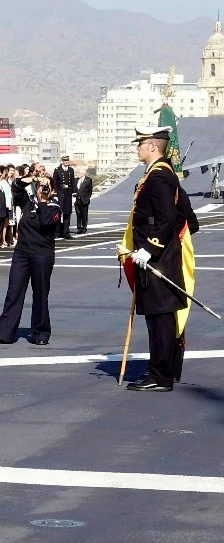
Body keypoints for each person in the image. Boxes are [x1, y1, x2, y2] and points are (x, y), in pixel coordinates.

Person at [125, 126, 195, 392]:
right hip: (161, 254)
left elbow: (167, 217)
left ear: (153, 146)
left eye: (141, 144)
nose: (137, 148)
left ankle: (160, 375)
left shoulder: (158, 177)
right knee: (159, 316)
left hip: (158, 258)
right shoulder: (160, 173)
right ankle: (164, 368)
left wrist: (151, 248)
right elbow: (185, 215)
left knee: (160, 317)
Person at [0, 174, 60, 346]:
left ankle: (41, 332)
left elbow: (45, 223)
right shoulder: (28, 203)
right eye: (40, 186)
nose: (41, 189)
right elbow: (16, 189)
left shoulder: (55, 208)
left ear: (52, 190)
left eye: (46, 187)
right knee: (14, 292)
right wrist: (28, 180)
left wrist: (43, 201)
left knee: (40, 294)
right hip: (22, 253)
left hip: (42, 254)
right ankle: (4, 334)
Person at [51, 155, 76, 239]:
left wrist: (74, 193)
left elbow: (73, 182)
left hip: (68, 193)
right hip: (61, 193)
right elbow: (55, 182)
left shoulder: (71, 170)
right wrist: (56, 193)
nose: (66, 162)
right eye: (65, 161)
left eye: (67, 161)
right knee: (58, 213)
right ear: (62, 161)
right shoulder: (57, 170)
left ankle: (66, 232)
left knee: (67, 214)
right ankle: (57, 232)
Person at [75, 168, 94, 236]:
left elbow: (90, 191)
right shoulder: (76, 180)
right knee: (78, 214)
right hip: (77, 201)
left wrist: (87, 198)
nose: (78, 174)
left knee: (84, 215)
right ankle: (79, 228)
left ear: (83, 173)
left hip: (84, 200)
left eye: (79, 173)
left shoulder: (88, 180)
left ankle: (84, 228)